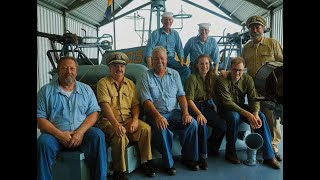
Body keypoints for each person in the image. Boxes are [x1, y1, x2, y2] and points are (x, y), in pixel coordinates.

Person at [37, 56, 107, 180]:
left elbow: (94, 113)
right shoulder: (45, 91)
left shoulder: (86, 90)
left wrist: (80, 133)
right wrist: (59, 135)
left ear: (76, 71)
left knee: (98, 135)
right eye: (64, 68)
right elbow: (39, 118)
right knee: (43, 142)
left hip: (82, 133)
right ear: (58, 71)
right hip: (55, 136)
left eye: (72, 68)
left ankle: (100, 178)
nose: (68, 71)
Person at [140, 46, 199, 175]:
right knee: (162, 128)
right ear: (152, 61)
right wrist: (157, 116)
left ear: (167, 59)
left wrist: (185, 113)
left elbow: (181, 95)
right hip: (156, 113)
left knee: (192, 123)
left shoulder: (175, 74)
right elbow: (146, 101)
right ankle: (168, 164)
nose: (159, 61)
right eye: (156, 59)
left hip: (174, 112)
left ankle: (188, 159)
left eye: (162, 58)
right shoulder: (146, 76)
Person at [96, 52, 155, 180]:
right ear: (110, 68)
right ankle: (119, 171)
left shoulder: (130, 84)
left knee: (145, 128)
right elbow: (105, 106)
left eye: (122, 66)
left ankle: (146, 162)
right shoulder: (103, 83)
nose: (119, 69)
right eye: (116, 66)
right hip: (109, 122)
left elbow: (135, 105)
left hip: (128, 120)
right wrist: (116, 125)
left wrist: (135, 120)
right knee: (120, 135)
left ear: (125, 68)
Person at [215, 57, 280, 169]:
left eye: (240, 70)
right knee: (234, 116)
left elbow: (253, 98)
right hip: (224, 109)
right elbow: (227, 103)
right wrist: (248, 114)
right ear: (230, 68)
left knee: (261, 116)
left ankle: (269, 156)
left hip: (240, 107)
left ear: (243, 69)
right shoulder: (222, 80)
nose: (237, 73)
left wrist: (254, 113)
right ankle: (230, 152)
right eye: (235, 70)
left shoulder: (248, 79)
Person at [241, 15, 283, 161]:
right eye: (252, 27)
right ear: (249, 30)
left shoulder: (272, 44)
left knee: (271, 117)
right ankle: (260, 143)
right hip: (253, 89)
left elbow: (282, 63)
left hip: (271, 90)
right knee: (256, 116)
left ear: (263, 28)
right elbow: (242, 67)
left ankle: (273, 145)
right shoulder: (246, 48)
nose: (255, 29)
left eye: (257, 26)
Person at [184, 54, 226, 169]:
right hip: (194, 107)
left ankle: (209, 147)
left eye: (207, 63)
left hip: (207, 106)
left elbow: (223, 77)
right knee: (201, 125)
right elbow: (189, 100)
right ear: (197, 65)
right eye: (201, 63)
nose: (204, 66)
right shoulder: (192, 78)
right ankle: (202, 157)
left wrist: (224, 73)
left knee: (222, 126)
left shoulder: (212, 77)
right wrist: (199, 114)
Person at [145, 11, 191, 84]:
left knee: (186, 70)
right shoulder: (156, 33)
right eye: (166, 19)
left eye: (170, 20)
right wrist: (149, 65)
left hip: (171, 60)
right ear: (162, 21)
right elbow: (149, 49)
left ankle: (177, 88)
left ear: (172, 21)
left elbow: (179, 49)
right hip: (159, 60)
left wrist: (182, 61)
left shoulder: (175, 34)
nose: (168, 21)